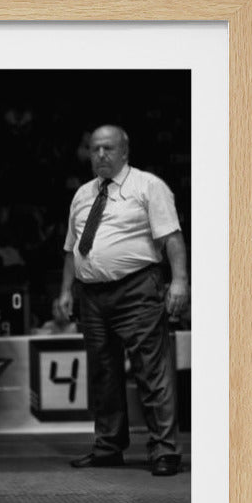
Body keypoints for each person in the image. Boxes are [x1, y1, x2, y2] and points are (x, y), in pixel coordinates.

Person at [58, 125, 189, 477]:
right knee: (103, 373)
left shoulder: (148, 186)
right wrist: (66, 290)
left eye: (108, 149)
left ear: (124, 152)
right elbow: (71, 250)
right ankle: (108, 446)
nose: (100, 155)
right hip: (91, 294)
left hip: (137, 289)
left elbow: (173, 238)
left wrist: (179, 281)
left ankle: (164, 450)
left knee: (151, 370)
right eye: (95, 149)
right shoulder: (84, 194)